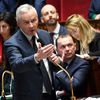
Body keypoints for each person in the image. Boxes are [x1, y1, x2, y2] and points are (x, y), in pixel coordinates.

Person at [4, 4, 57, 100]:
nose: (31, 25)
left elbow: (52, 63)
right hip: (28, 96)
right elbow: (17, 65)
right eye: (26, 22)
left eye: (33, 20)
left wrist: (56, 60)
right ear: (18, 23)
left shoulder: (45, 35)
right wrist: (36, 57)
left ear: (38, 19)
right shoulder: (12, 43)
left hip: (50, 93)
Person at [54, 33, 90, 100]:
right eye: (63, 47)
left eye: (70, 45)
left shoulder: (82, 64)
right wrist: (59, 93)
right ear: (57, 50)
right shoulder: (51, 64)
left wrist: (59, 66)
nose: (67, 49)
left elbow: (72, 87)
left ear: (75, 46)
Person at [0, 12, 16, 94]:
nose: (1, 30)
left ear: (11, 26)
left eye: (4, 27)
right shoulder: (1, 41)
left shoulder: (16, 42)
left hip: (12, 79)